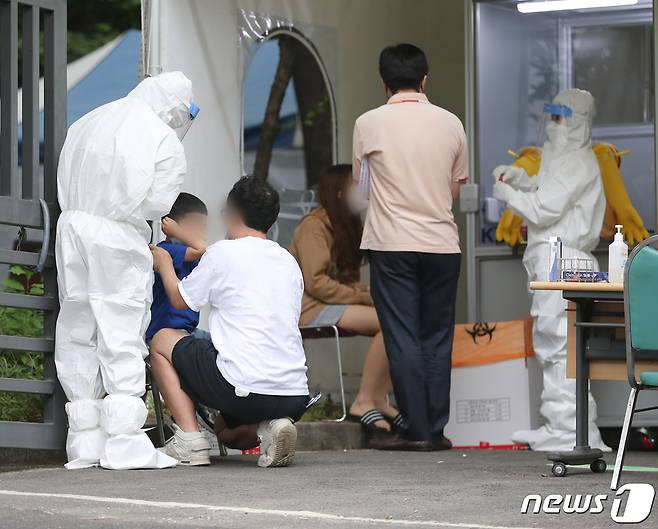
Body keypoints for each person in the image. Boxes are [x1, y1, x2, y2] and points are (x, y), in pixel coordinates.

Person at [56, 71, 198, 470]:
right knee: (121, 327)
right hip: (117, 234)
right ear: (175, 109)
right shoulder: (160, 135)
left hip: (73, 227)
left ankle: (83, 439)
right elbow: (156, 202)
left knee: (78, 326)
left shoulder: (89, 120)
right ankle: (125, 440)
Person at [352, 44, 467, 450]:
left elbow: (362, 189)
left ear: (383, 82)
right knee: (437, 337)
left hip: (391, 243)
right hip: (441, 244)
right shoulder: (451, 123)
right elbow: (454, 188)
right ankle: (434, 429)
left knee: (402, 335)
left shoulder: (368, 124)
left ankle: (416, 429)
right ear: (425, 79)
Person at [149, 176, 309, 468]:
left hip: (242, 387)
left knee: (161, 340)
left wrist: (164, 264)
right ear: (271, 222)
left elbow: (178, 299)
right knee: (227, 434)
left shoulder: (223, 252)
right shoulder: (288, 261)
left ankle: (189, 440)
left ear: (230, 213)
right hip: (294, 394)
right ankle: (272, 427)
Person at [493, 88, 609, 452]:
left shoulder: (577, 161)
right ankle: (562, 424)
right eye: (553, 117)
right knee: (554, 342)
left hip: (565, 260)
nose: (553, 126)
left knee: (559, 344)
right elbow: (548, 190)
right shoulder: (566, 159)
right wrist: (520, 179)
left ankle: (571, 429)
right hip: (559, 259)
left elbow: (544, 208)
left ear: (577, 123)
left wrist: (508, 196)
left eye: (561, 119)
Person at [290, 164, 399, 432]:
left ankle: (376, 398)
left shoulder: (345, 225)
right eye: (355, 184)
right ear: (339, 192)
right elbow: (317, 284)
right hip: (310, 308)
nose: (363, 190)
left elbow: (348, 281)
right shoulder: (314, 226)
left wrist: (365, 295)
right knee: (390, 323)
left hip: (331, 304)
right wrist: (365, 297)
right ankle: (364, 400)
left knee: (397, 323)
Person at [145, 192, 210, 343]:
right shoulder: (167, 249)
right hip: (164, 331)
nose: (201, 232)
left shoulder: (193, 254)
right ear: (172, 227)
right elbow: (204, 250)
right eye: (196, 226)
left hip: (187, 331)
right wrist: (179, 233)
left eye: (203, 227)